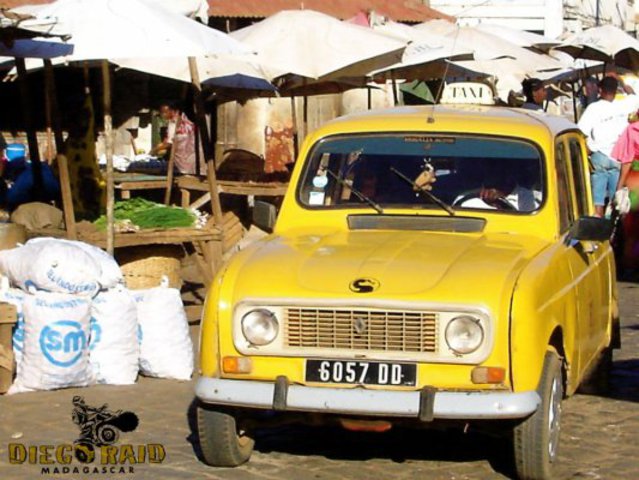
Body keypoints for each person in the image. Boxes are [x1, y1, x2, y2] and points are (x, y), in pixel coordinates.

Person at [578, 75, 639, 217]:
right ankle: (612, 231)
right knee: (615, 199)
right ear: (616, 90)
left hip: (599, 156)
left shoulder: (593, 108)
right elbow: (633, 95)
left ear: (600, 90)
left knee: (597, 201)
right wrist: (622, 81)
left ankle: (598, 231)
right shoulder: (624, 104)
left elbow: (581, 131)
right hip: (618, 157)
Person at [151, 102, 196, 175]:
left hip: (181, 162)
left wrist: (154, 150)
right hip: (192, 159)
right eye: (162, 113)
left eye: (164, 112)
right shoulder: (186, 119)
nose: (163, 115)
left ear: (172, 111)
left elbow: (169, 143)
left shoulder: (173, 122)